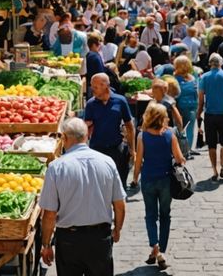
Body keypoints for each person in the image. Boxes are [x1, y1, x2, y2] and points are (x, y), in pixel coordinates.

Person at [40, 118, 127, 276]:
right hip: (100, 238)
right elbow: (119, 204)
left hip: (69, 241)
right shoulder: (107, 162)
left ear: (65, 138)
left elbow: (49, 214)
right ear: (87, 136)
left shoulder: (56, 168)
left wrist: (46, 245)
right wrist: (117, 229)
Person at [130, 104, 187, 269]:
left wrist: (135, 178)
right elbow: (179, 159)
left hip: (148, 179)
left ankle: (154, 246)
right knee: (165, 215)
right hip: (166, 180)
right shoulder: (170, 135)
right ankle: (161, 250)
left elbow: (138, 160)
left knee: (150, 215)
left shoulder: (142, 136)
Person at [84, 73, 136, 186]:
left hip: (116, 149)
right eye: (92, 87)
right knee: (98, 183)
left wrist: (132, 149)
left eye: (95, 87)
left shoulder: (120, 101)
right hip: (97, 149)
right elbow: (86, 128)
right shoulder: (91, 104)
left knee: (118, 183)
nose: (92, 90)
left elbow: (129, 126)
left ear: (105, 86)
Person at [197, 54, 223, 180]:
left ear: (210, 63)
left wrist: (198, 113)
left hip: (210, 114)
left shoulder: (204, 77)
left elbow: (201, 98)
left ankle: (214, 170)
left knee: (212, 144)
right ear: (221, 63)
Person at [172, 56, 200, 146]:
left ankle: (179, 150)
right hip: (192, 105)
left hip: (178, 106)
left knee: (178, 129)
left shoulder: (174, 78)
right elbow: (197, 92)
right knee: (190, 129)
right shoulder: (193, 78)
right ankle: (188, 149)